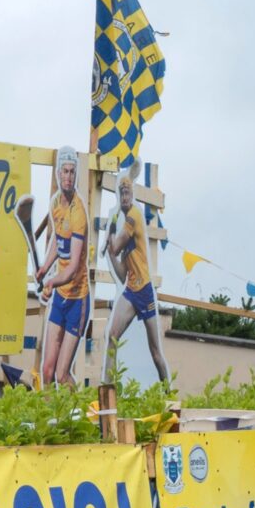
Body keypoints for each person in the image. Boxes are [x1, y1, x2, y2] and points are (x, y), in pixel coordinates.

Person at [103, 172, 171, 386]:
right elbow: (122, 274)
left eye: (127, 193)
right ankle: (108, 389)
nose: (125, 197)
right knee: (112, 336)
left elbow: (116, 245)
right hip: (132, 290)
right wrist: (110, 253)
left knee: (156, 352)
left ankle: (168, 394)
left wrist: (110, 237)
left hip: (145, 291)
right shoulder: (124, 226)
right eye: (122, 193)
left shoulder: (133, 217)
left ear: (132, 196)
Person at [34, 147, 90, 385]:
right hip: (60, 298)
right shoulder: (56, 202)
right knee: (47, 371)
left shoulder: (79, 213)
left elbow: (73, 267)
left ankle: (76, 408)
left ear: (76, 174)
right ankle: (48, 410)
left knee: (62, 374)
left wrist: (51, 281)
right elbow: (59, 241)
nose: (68, 176)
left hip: (77, 298)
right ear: (58, 173)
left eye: (72, 172)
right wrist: (45, 267)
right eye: (64, 171)